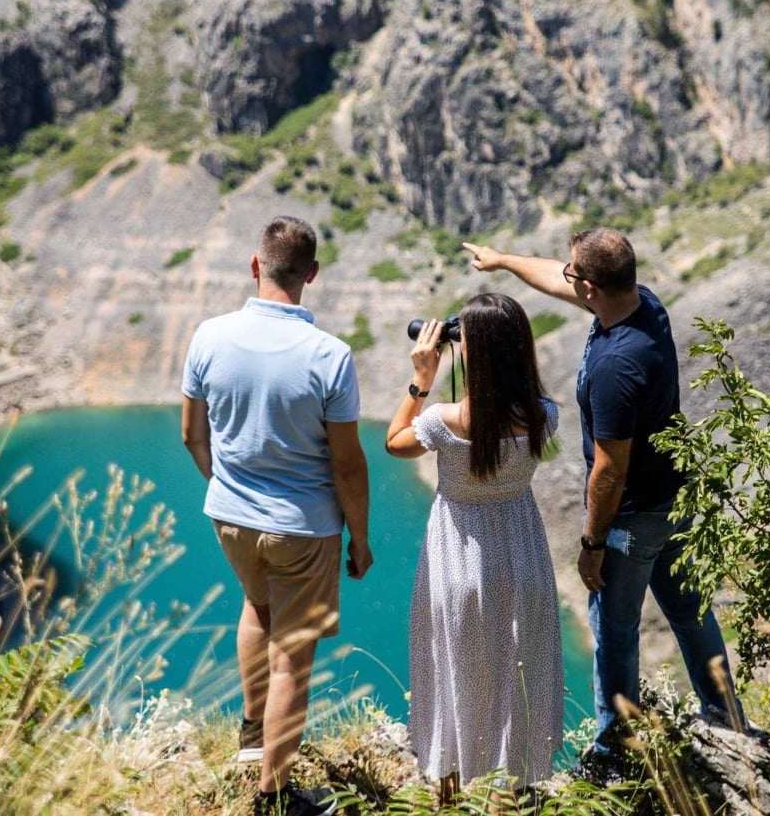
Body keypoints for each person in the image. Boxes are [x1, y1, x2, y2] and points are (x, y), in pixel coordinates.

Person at [463, 229, 741, 780]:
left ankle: (614, 752)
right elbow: (554, 275)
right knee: (690, 612)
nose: (565, 279)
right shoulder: (643, 306)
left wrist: (592, 544)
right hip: (675, 497)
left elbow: (608, 471)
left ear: (590, 287)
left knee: (615, 633)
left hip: (631, 517)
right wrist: (502, 261)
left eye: (573, 275)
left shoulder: (616, 365)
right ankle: (726, 718)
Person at [182, 216, 373, 816]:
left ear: (255, 265)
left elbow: (192, 434)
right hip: (303, 528)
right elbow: (347, 466)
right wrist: (360, 539)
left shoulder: (208, 336)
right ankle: (276, 795)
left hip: (230, 518)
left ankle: (250, 736)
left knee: (256, 608)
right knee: (293, 650)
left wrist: (228, 488)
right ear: (312, 274)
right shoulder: (329, 356)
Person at [385, 293, 564, 802]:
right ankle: (517, 796)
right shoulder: (544, 415)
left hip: (457, 560)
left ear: (472, 355)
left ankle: (452, 799)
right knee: (519, 676)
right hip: (522, 556)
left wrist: (422, 376)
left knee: (453, 678)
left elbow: (394, 440)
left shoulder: (445, 421)